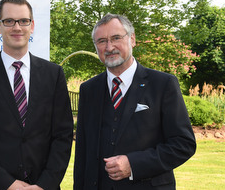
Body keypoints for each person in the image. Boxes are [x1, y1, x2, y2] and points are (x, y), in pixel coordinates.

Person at [0, 0, 74, 190]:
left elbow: (63, 135)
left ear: (32, 25)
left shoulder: (53, 74)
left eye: (23, 21)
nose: (17, 27)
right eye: (9, 21)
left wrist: (45, 184)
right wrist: (7, 184)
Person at [73, 13, 196, 190]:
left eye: (116, 38)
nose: (109, 47)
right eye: (101, 41)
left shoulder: (163, 84)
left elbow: (183, 144)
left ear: (132, 39)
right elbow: (82, 154)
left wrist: (134, 164)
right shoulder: (88, 89)